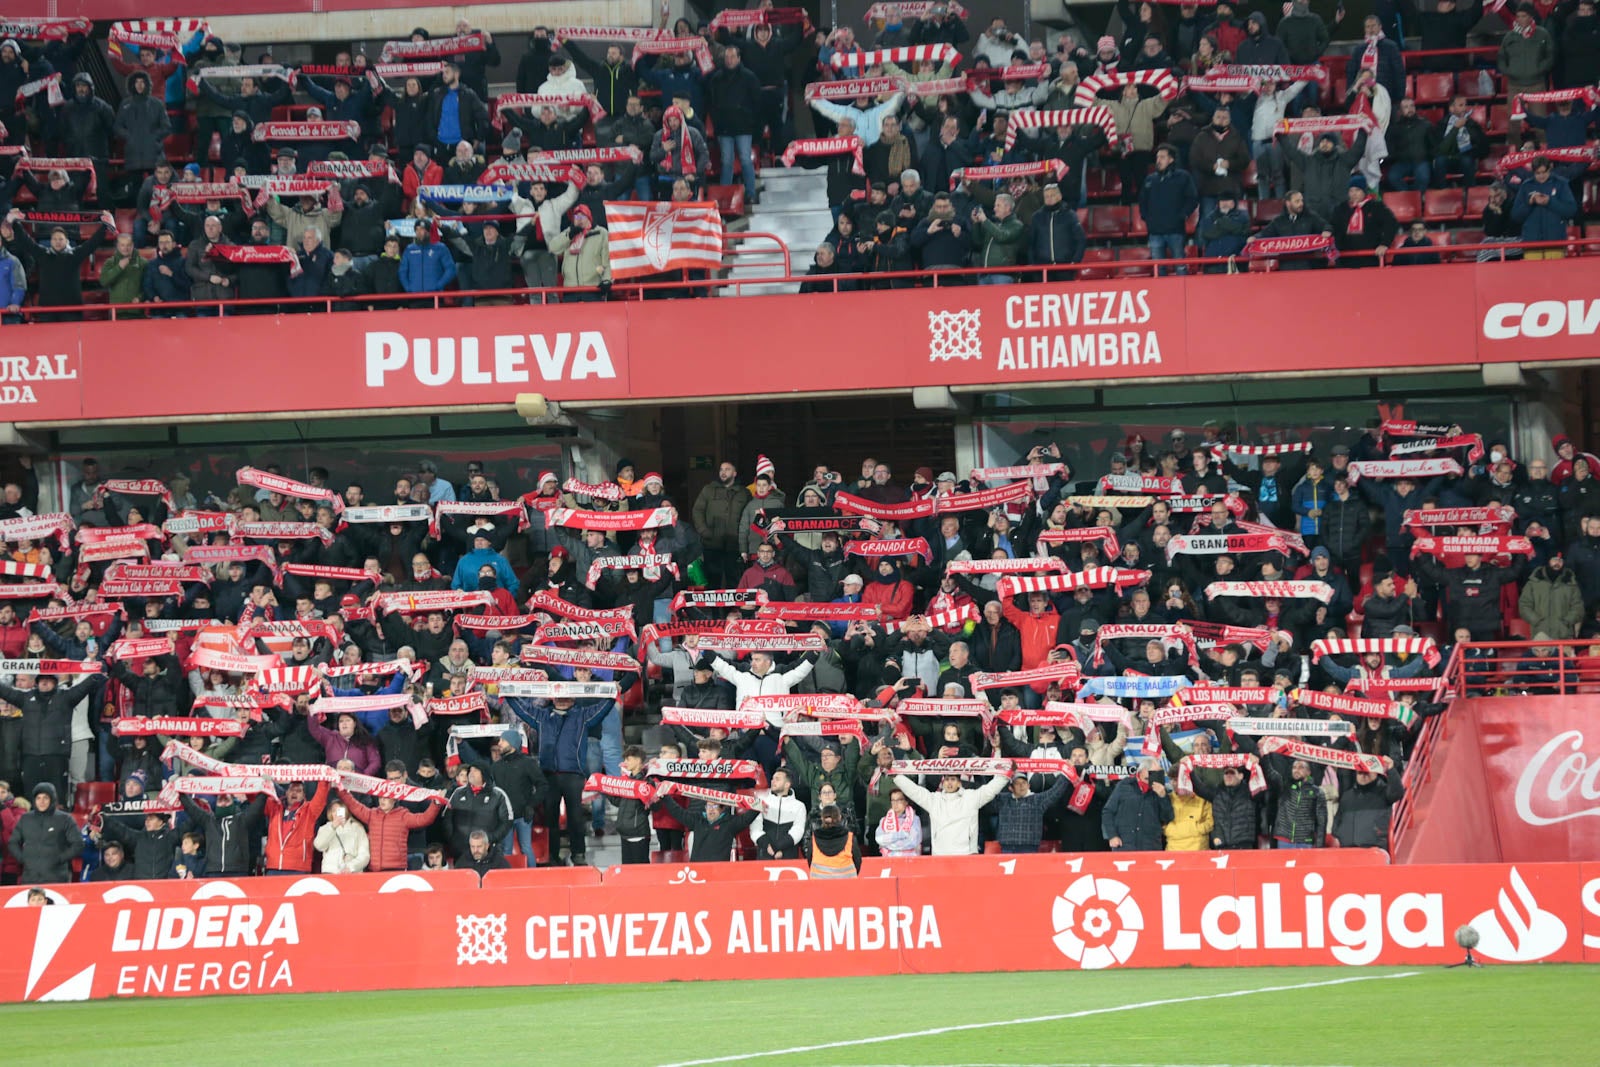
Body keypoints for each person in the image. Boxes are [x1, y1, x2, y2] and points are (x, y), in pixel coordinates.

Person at [891, 769, 1010, 855]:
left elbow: (990, 790)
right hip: (941, 855)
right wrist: (896, 775)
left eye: (953, 779)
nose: (949, 783)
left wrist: (1005, 775)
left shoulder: (971, 798)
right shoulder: (934, 800)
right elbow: (914, 791)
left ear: (959, 782)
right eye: (946, 779)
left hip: (966, 855)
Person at [336, 785, 442, 871]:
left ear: (394, 799)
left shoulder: (403, 816)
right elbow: (354, 806)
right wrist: (342, 791)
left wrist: (436, 804)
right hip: (374, 869)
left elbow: (424, 819)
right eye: (380, 797)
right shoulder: (372, 814)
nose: (382, 801)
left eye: (386, 798)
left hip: (396, 868)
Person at [1139, 143, 1199, 274]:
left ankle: (1183, 293)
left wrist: (1183, 215)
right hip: (1155, 231)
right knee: (1158, 267)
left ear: (1171, 159)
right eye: (1157, 157)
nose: (1158, 160)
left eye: (1162, 157)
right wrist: (1146, 217)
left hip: (1175, 230)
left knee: (1180, 265)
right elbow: (1142, 201)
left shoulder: (1183, 177)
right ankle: (1162, 294)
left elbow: (1192, 198)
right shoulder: (1150, 179)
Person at [652, 792, 760, 862]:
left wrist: (758, 805)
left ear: (722, 809)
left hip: (720, 871)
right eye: (708, 806)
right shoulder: (697, 820)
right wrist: (666, 797)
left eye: (714, 806)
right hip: (698, 870)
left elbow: (746, 819)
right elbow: (678, 812)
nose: (711, 809)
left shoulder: (730, 823)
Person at [8, 783, 82, 884]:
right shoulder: (25, 818)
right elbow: (13, 842)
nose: (41, 801)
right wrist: (23, 859)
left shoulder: (65, 819)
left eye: (45, 798)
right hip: (30, 878)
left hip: (57, 878)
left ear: (52, 799)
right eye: (38, 798)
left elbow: (78, 844)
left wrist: (59, 859)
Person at [1510, 156, 1577, 259]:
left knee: (1555, 274)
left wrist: (1550, 202)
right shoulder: (1526, 186)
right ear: (1533, 172)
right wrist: (1530, 203)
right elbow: (1515, 216)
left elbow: (1571, 210)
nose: (1541, 176)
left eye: (1544, 172)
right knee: (1533, 274)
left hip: (1555, 242)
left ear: (1549, 169)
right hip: (1531, 243)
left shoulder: (1561, 184)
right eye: (1537, 173)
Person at [1333, 757, 1402, 848]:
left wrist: (1391, 769)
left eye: (1367, 772)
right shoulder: (1347, 796)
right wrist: (1339, 834)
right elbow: (1338, 819)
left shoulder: (1384, 791)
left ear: (1376, 773)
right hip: (1347, 849)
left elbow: (1397, 793)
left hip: (1374, 849)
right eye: (1360, 772)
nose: (1364, 775)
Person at [1101, 764, 1174, 850]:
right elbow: (1108, 812)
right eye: (1146, 779)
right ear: (1139, 774)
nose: (1149, 783)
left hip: (1150, 847)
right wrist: (1112, 835)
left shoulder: (1161, 791)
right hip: (1124, 845)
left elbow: (1168, 818)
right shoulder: (1124, 786)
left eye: (1153, 778)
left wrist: (1163, 797)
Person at [994, 771, 1070, 853]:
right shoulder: (1002, 799)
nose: (1021, 786)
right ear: (1010, 788)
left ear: (1028, 785)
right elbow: (989, 792)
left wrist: (1066, 773)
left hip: (1029, 847)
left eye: (1024, 783)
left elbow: (1056, 792)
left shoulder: (1037, 800)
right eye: (1017, 783)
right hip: (1007, 847)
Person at [801, 803, 862, 876]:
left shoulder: (814, 838)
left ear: (822, 818)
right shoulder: (850, 837)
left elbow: (809, 859)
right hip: (847, 881)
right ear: (839, 817)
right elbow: (857, 860)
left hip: (819, 881)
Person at [313, 798, 371, 873]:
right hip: (330, 873)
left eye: (340, 810)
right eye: (334, 811)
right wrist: (332, 827)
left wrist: (351, 867)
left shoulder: (358, 828)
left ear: (346, 811)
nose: (337, 813)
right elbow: (319, 846)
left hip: (352, 873)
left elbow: (364, 854)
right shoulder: (325, 828)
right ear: (330, 813)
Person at [875, 788, 923, 856]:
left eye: (899, 800)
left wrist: (889, 844)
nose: (895, 804)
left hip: (909, 860)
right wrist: (903, 835)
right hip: (889, 860)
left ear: (906, 802)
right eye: (893, 800)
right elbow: (879, 839)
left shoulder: (915, 819)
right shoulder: (884, 821)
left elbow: (913, 841)